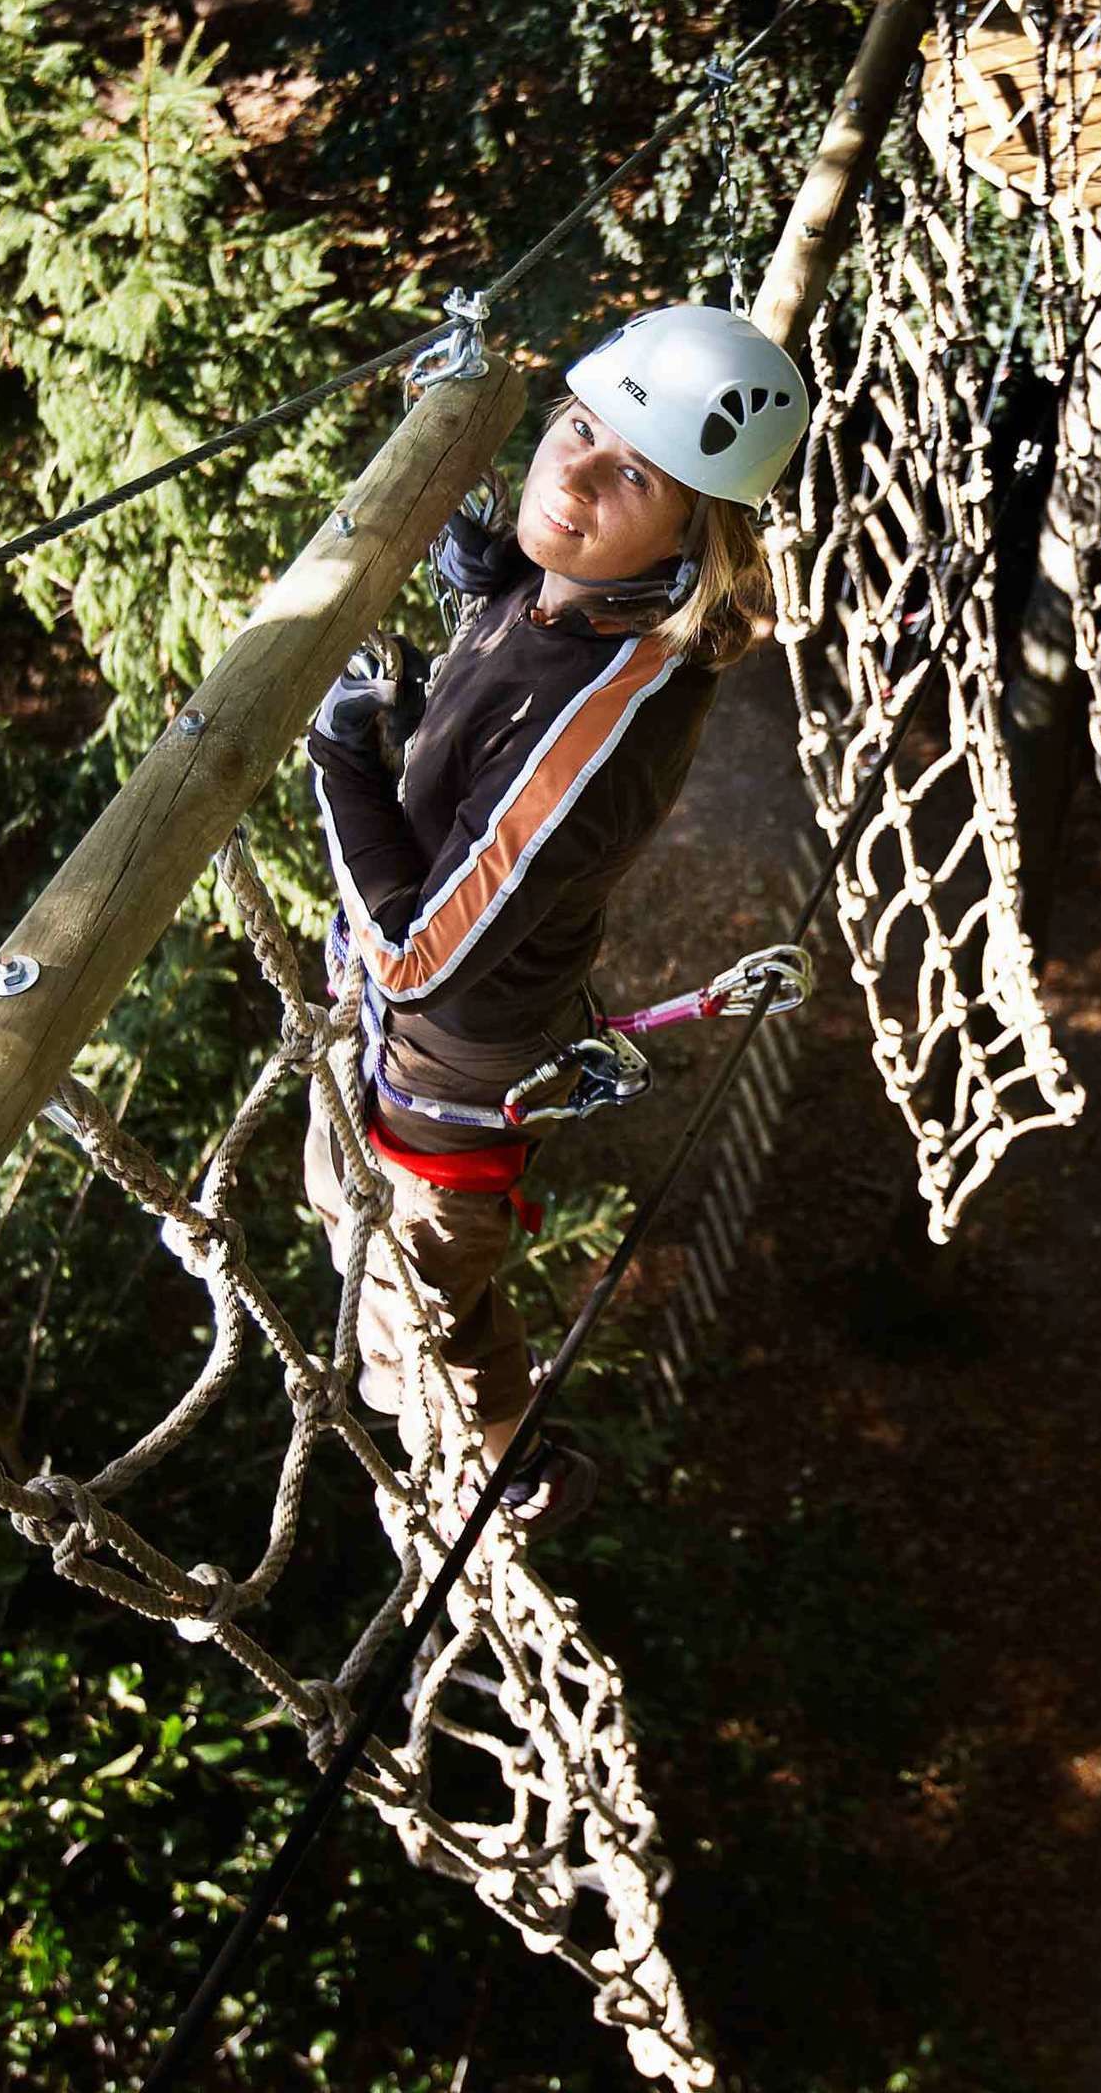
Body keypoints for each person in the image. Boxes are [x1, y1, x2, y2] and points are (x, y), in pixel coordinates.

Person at [298, 305, 808, 1532]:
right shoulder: (589, 593)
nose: (570, 470)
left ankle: (500, 1467)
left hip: (440, 1060)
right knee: (371, 1238)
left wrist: (337, 759)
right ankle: (477, 1420)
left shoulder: (601, 715)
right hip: (457, 1029)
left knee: (411, 1308)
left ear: (697, 536)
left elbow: (419, 957)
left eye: (630, 470)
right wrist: (503, 577)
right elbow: (551, 603)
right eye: (576, 427)